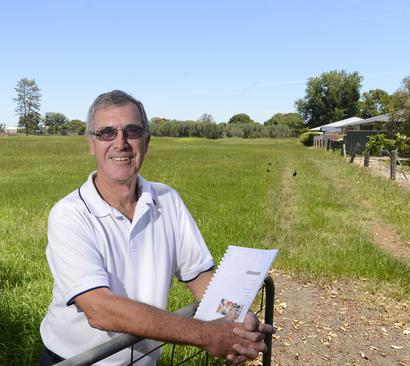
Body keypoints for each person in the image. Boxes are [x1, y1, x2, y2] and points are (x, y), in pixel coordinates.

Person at [39, 90, 274, 365]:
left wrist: (235, 321)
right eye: (106, 133)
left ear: (147, 141)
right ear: (91, 143)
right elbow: (99, 309)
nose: (121, 143)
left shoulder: (167, 200)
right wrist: (206, 334)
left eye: (132, 131)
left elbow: (199, 277)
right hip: (80, 361)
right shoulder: (70, 214)